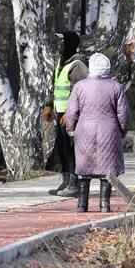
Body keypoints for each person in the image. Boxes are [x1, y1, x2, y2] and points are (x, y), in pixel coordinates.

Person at [62, 52, 130, 212]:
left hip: (85, 130)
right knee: (107, 169)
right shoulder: (116, 86)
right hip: (109, 130)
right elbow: (124, 114)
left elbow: (71, 111)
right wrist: (123, 130)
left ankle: (82, 205)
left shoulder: (80, 87)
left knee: (84, 170)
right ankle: (105, 205)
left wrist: (71, 129)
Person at [43, 31, 88, 197]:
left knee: (71, 150)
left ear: (69, 43)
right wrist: (48, 105)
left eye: (61, 41)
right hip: (59, 114)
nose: (58, 45)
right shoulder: (62, 63)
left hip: (71, 116)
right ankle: (65, 182)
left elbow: (80, 91)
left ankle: (75, 185)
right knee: (62, 149)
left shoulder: (77, 64)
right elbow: (55, 87)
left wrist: (70, 113)